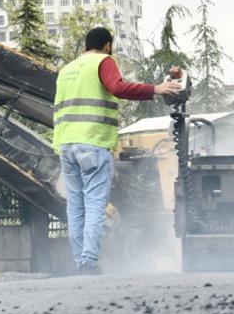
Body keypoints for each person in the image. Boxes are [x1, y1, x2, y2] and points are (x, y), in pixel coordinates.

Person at [53, 27, 182, 274]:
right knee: (94, 204)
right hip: (92, 142)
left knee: (75, 206)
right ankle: (89, 262)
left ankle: (80, 260)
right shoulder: (103, 61)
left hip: (66, 145)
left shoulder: (66, 70)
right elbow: (119, 87)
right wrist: (156, 89)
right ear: (108, 45)